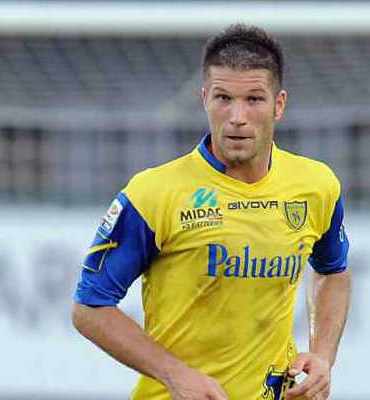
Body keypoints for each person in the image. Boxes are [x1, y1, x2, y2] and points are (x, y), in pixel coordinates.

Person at [72, 23, 350, 400]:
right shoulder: (154, 193)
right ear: (205, 99)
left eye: (254, 99)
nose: (237, 116)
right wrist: (175, 374)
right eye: (223, 98)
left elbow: (333, 271)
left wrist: (323, 355)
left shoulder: (316, 185)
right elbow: (89, 307)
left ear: (279, 105)